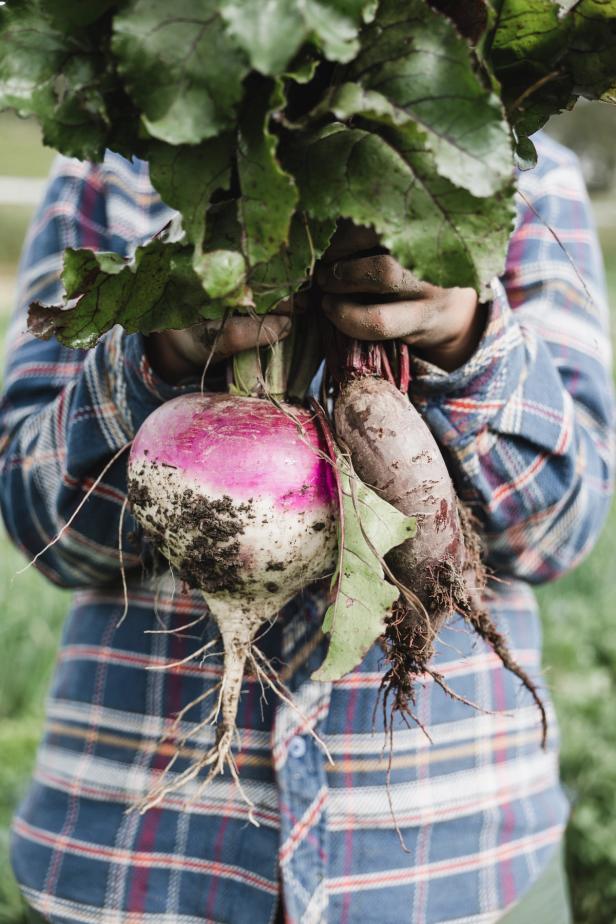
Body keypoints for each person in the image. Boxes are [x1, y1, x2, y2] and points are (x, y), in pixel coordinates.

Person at [0, 131, 612, 924]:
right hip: (138, 859)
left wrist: (464, 339)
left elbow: (561, 532)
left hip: (457, 862)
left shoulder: (514, 172)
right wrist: (162, 344)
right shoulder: (108, 170)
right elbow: (34, 513)